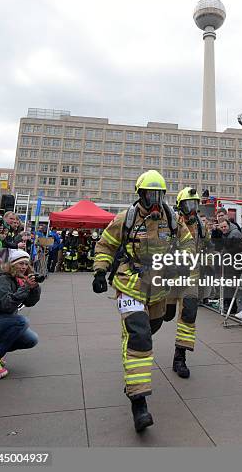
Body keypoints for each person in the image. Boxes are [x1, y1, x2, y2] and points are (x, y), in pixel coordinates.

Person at [92, 170, 194, 432]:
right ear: (140, 194)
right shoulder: (125, 219)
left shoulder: (171, 219)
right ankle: (139, 402)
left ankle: (133, 370)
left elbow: (187, 244)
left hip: (159, 287)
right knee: (139, 336)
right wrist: (101, 271)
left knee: (152, 328)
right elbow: (105, 245)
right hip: (130, 283)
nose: (155, 199)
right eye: (150, 194)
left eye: (159, 194)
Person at [164, 187, 205, 378]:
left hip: (191, 277)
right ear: (180, 206)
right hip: (171, 276)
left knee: (188, 314)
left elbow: (204, 248)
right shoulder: (170, 222)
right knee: (165, 314)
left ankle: (180, 357)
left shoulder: (200, 226)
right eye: (188, 205)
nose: (192, 209)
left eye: (195, 204)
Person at [0, 249, 40, 379]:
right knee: (21, 322)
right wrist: (25, 288)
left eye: (26, 264)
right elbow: (6, 305)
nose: (24, 267)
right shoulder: (2, 279)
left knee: (31, 339)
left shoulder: (19, 279)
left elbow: (30, 302)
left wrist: (34, 288)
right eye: (21, 264)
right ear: (12, 265)